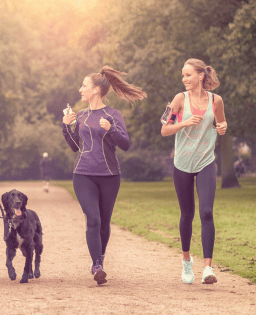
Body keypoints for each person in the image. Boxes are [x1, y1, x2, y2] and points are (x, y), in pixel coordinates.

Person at [62, 66, 146, 285]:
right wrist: (66, 127)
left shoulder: (113, 115)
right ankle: (97, 266)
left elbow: (125, 144)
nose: (80, 89)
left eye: (84, 85)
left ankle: (99, 259)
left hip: (109, 175)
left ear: (96, 90)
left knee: (104, 224)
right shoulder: (80, 115)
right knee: (93, 219)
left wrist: (111, 129)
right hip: (83, 174)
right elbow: (74, 147)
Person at [161, 58, 227, 285]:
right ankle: (187, 261)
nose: (184, 79)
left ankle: (208, 268)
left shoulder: (216, 100)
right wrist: (184, 123)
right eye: (183, 76)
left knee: (207, 212)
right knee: (187, 214)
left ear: (200, 76)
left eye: (188, 75)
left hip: (206, 161)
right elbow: (164, 129)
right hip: (182, 163)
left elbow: (220, 125)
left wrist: (222, 127)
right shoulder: (179, 99)